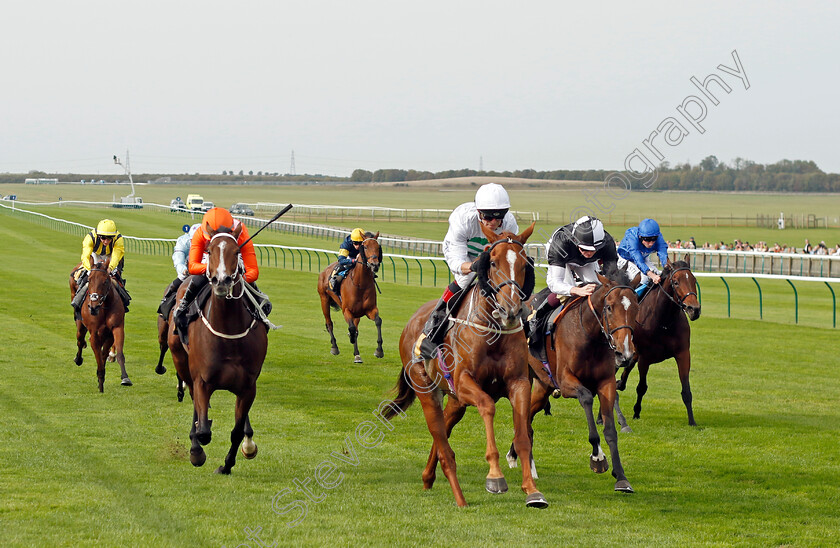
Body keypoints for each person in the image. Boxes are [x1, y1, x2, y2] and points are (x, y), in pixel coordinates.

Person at [416, 183, 519, 359]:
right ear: (478, 212)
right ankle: (432, 329)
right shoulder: (463, 219)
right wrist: (472, 266)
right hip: (465, 257)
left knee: (512, 286)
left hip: (492, 259)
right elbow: (456, 260)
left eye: (498, 216)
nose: (492, 222)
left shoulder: (510, 223)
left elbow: (509, 255)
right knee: (464, 281)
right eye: (487, 216)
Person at [527, 215, 618, 363]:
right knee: (565, 292)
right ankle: (537, 318)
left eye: (594, 250)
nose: (589, 253)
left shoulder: (607, 243)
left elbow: (611, 281)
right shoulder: (561, 242)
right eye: (585, 249)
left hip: (585, 263)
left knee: (598, 288)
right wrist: (576, 290)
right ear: (576, 242)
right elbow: (554, 283)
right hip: (563, 256)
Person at [173, 208, 260, 339]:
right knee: (197, 280)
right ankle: (184, 305)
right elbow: (193, 266)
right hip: (211, 261)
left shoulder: (241, 233)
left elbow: (253, 270)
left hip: (233, 262)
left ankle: (261, 310)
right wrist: (213, 268)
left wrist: (240, 278)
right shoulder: (200, 233)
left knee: (255, 293)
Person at [71, 218, 130, 315]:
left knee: (116, 277)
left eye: (109, 238)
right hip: (95, 255)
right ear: (98, 236)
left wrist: (109, 268)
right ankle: (77, 301)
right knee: (88, 277)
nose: (106, 241)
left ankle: (124, 299)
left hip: (110, 256)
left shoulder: (118, 239)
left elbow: (116, 256)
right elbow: (85, 256)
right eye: (103, 238)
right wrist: (90, 270)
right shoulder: (90, 238)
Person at [157, 223, 201, 318]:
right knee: (181, 277)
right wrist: (184, 270)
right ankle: (166, 302)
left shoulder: (209, 241)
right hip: (188, 269)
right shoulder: (184, 242)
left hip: (203, 269)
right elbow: (178, 259)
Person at [617, 218, 669, 298]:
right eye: (647, 239)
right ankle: (632, 301)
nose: (651, 243)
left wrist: (666, 266)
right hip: (625, 259)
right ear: (640, 236)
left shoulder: (658, 237)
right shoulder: (632, 237)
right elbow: (637, 259)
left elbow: (662, 252)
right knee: (644, 278)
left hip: (643, 258)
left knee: (658, 274)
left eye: (654, 239)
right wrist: (651, 274)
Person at [329, 228, 366, 292]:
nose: (358, 246)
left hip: (361, 259)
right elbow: (341, 260)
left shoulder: (366, 243)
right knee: (341, 271)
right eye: (355, 243)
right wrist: (354, 261)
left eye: (360, 243)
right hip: (349, 258)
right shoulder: (346, 244)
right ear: (352, 241)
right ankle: (335, 284)